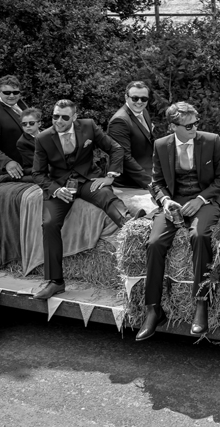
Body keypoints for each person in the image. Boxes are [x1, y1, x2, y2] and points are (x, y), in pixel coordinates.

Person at [137, 102, 220, 341]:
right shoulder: (161, 145)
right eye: (188, 125)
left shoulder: (212, 140)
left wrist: (200, 200)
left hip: (205, 201)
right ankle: (153, 309)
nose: (194, 128)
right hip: (174, 202)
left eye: (196, 123)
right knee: (155, 243)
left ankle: (201, 305)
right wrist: (166, 201)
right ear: (173, 126)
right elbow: (156, 182)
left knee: (199, 236)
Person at [31, 99, 131, 300]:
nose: (58, 120)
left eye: (64, 117)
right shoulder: (43, 138)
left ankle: (133, 226)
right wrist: (56, 190)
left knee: (106, 197)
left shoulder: (88, 126)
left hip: (87, 179)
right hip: (60, 187)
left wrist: (109, 176)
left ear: (74, 117)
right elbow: (37, 174)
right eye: (55, 116)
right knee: (49, 223)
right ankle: (55, 282)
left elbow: (116, 148)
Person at [107, 80, 155, 189]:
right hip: (131, 179)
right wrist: (151, 183)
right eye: (135, 98)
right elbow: (124, 158)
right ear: (126, 97)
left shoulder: (143, 111)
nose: (139, 102)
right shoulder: (119, 121)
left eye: (144, 99)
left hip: (148, 168)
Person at [13, 107, 42, 179]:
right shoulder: (22, 142)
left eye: (31, 123)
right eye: (24, 124)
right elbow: (36, 162)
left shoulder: (47, 134)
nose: (28, 126)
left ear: (39, 123)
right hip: (34, 170)